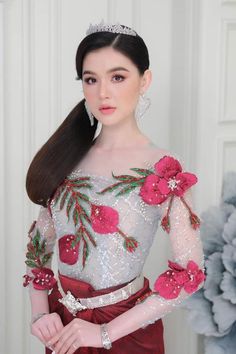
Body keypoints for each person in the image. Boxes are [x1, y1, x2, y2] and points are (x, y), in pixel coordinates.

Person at [23, 21, 205, 354]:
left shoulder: (163, 168)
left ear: (144, 80)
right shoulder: (66, 158)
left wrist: (105, 333)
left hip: (127, 334)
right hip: (64, 331)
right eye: (91, 79)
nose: (103, 92)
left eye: (117, 77)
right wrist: (40, 313)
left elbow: (190, 273)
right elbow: (37, 250)